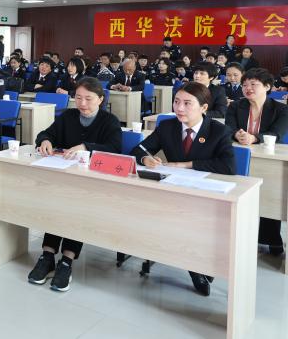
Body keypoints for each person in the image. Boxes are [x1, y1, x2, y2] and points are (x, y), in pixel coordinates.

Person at [132, 82, 235, 296]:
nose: (179, 108)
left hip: (206, 194)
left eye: (187, 103)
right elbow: (138, 149)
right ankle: (194, 267)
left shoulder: (219, 130)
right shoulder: (167, 126)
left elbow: (228, 166)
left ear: (204, 108)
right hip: (174, 191)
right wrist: (145, 158)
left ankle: (197, 267)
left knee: (193, 221)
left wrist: (186, 165)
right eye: (176, 102)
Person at [30, 77, 122, 292]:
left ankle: (67, 260)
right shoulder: (68, 116)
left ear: (100, 99)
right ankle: (47, 256)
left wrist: (86, 147)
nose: (82, 103)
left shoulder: (109, 121)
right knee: (57, 203)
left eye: (88, 99)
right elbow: (45, 133)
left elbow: (115, 148)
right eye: (78, 98)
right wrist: (45, 140)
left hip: (93, 183)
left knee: (76, 207)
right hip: (65, 177)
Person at [225, 68, 288, 256]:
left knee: (270, 194)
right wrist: (236, 134)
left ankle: (271, 238)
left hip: (268, 157)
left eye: (254, 84)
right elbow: (228, 129)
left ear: (267, 86)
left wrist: (254, 138)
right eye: (245, 85)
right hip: (239, 155)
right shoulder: (236, 106)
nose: (248, 88)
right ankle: (239, 236)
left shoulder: (281, 109)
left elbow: (277, 133)